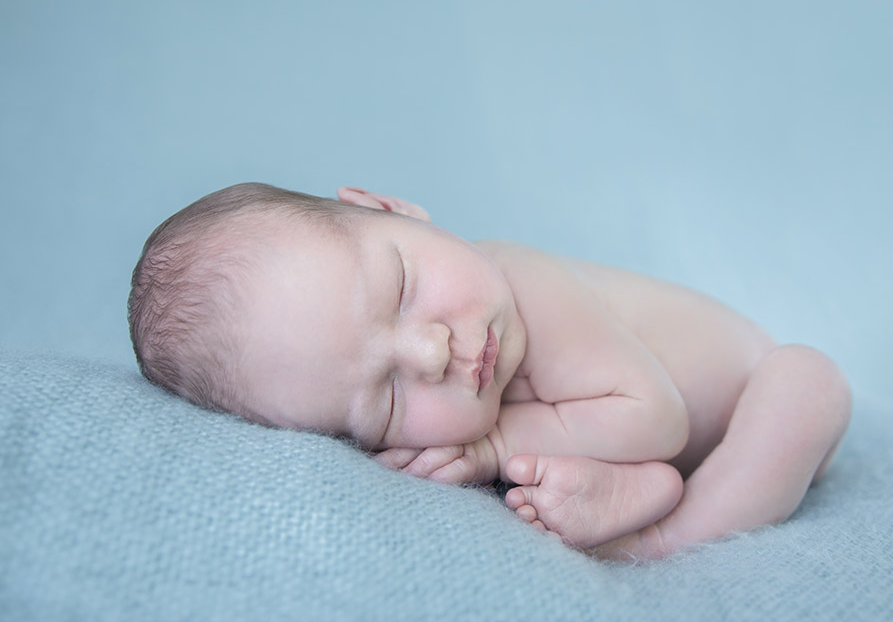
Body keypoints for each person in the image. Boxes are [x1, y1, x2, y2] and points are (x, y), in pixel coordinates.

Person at [128, 182, 852, 560]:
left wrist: (493, 448)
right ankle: (644, 492)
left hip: (746, 402)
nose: (432, 353)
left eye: (403, 289)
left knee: (809, 378)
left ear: (393, 209)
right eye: (386, 397)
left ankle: (667, 537)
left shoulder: (521, 279)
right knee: (643, 469)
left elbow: (654, 415)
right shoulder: (468, 384)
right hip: (656, 455)